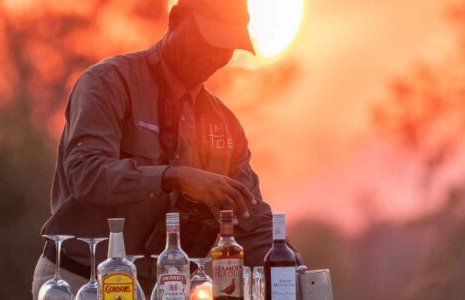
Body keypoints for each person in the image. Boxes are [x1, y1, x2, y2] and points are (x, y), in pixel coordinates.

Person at [31, 0, 284, 298]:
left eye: (227, 46)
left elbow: (251, 221)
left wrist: (295, 272)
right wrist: (172, 176)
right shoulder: (108, 83)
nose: (215, 54)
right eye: (208, 38)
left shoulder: (225, 125)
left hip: (169, 290)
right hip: (81, 282)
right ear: (175, 19)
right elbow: (86, 174)